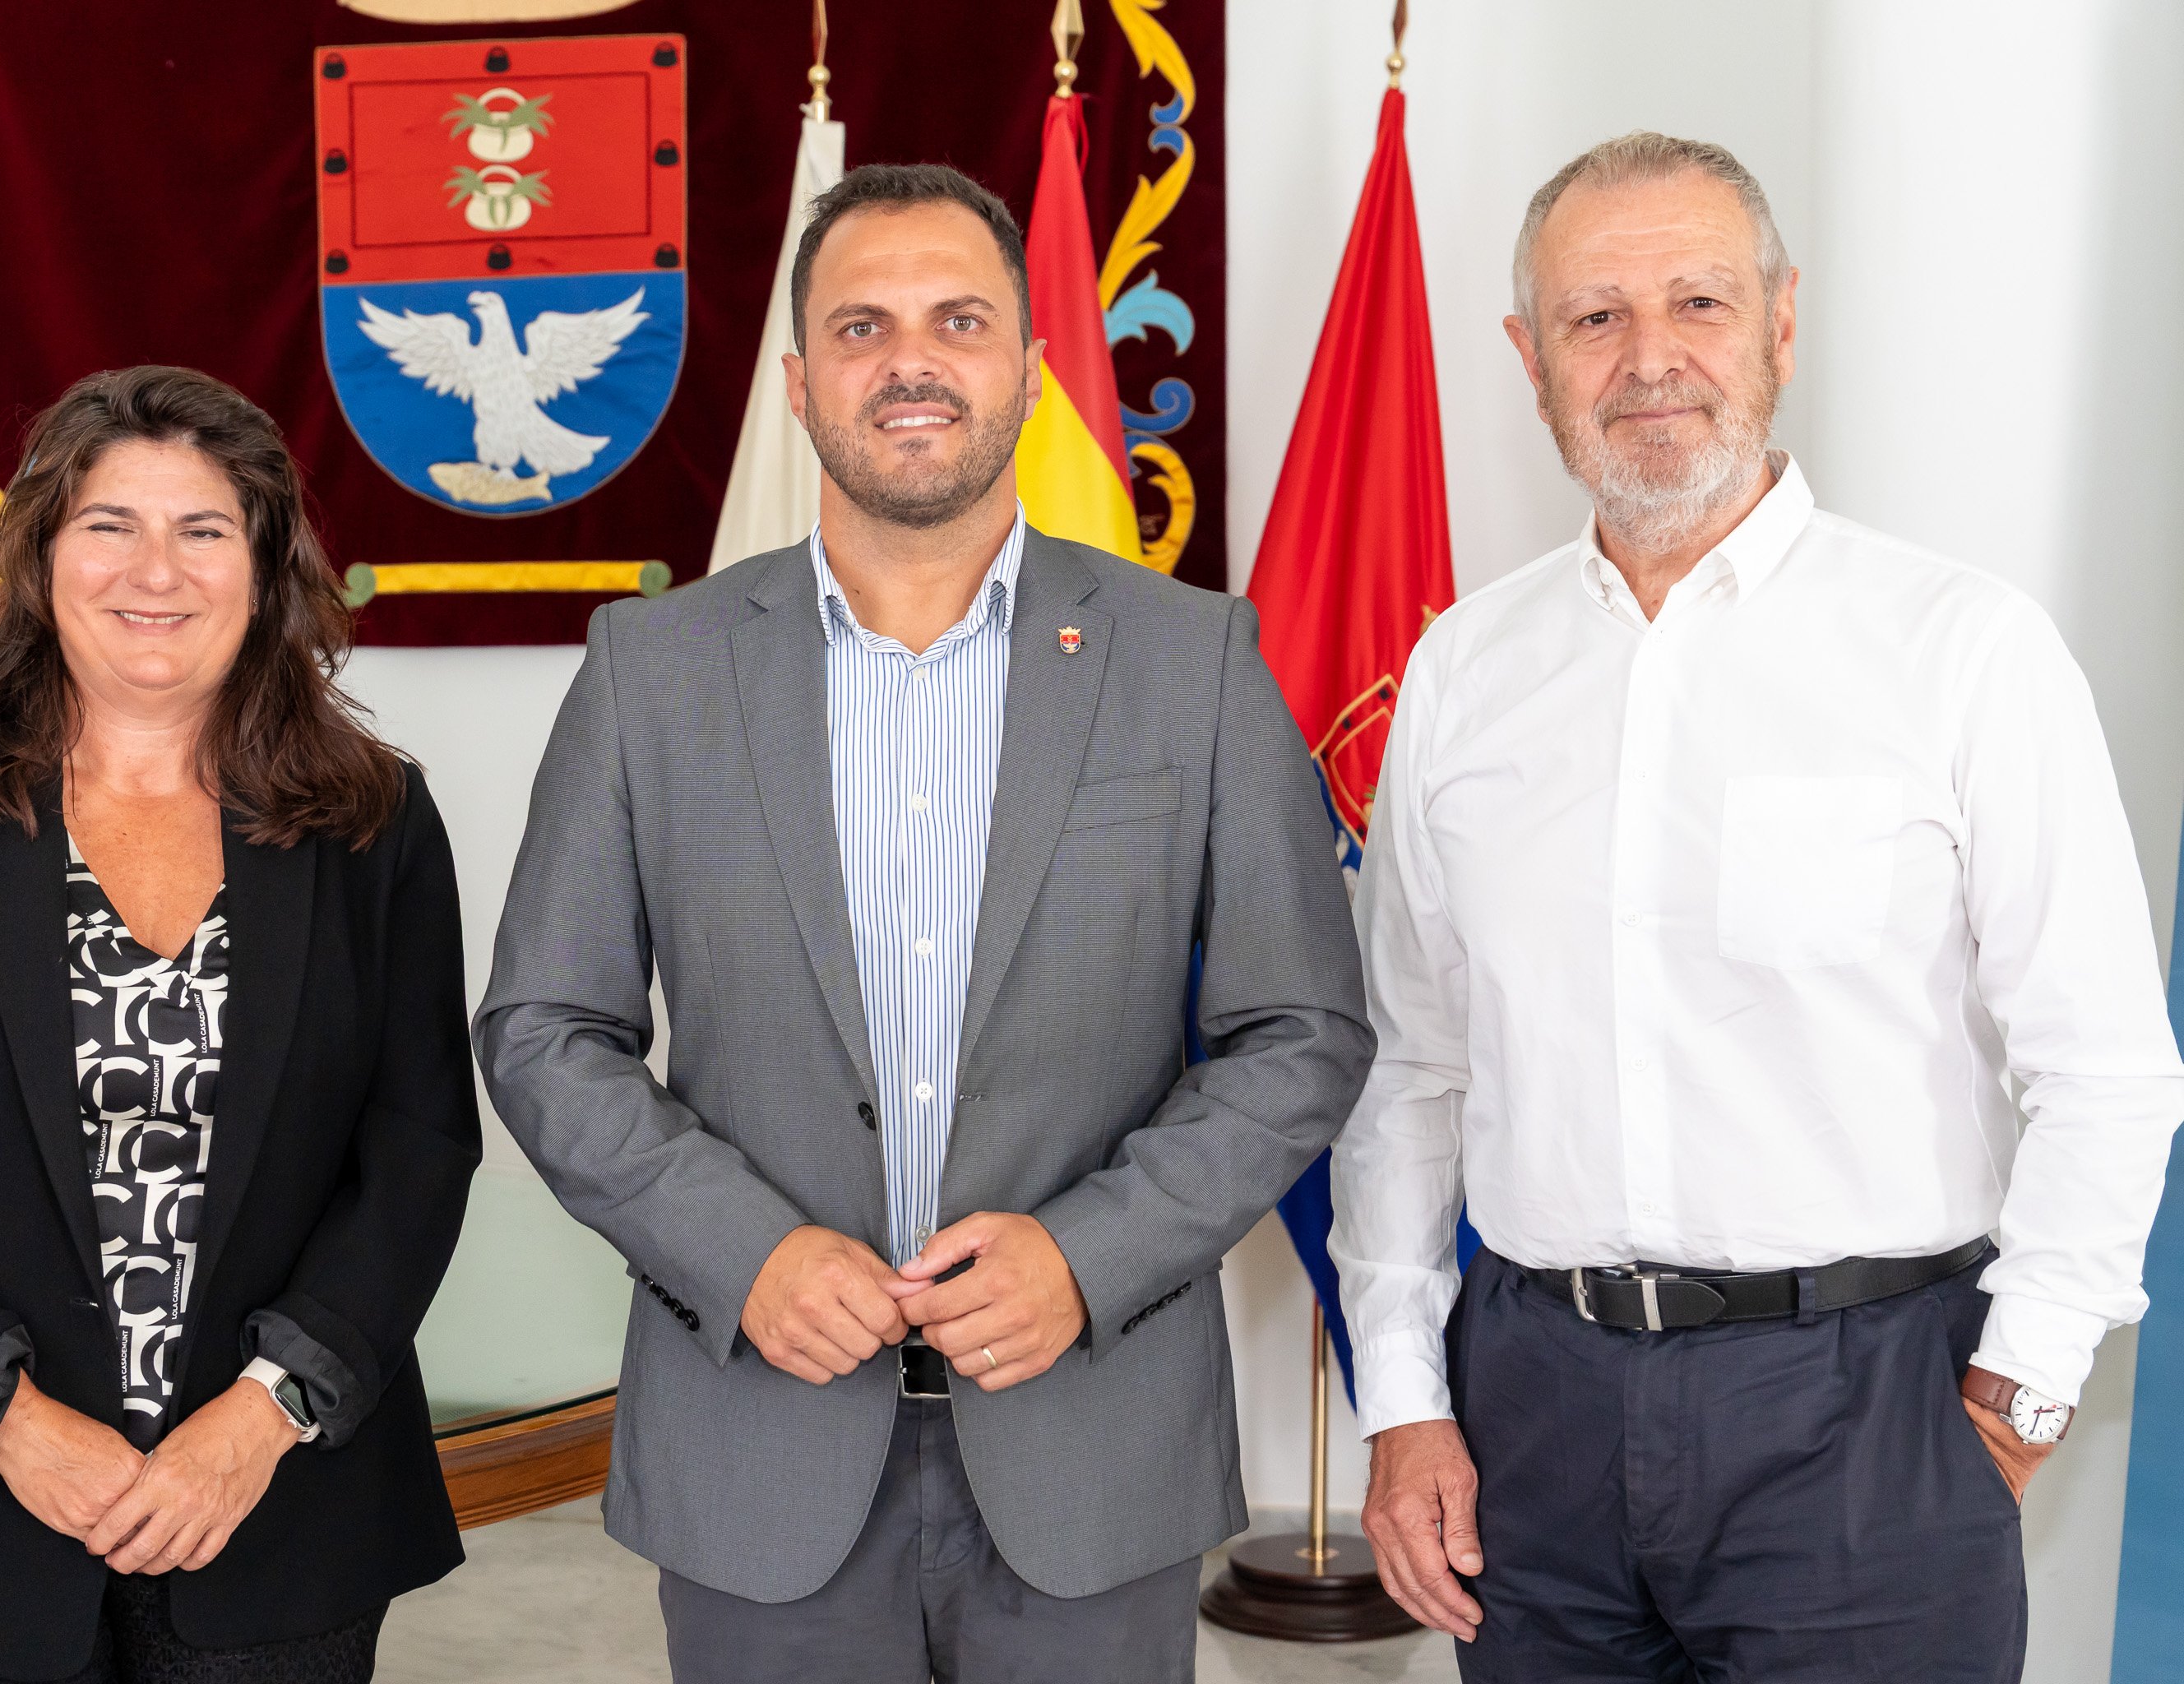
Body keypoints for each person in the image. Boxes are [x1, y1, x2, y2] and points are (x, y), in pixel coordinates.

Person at [477, 163, 1371, 1683]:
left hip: (1095, 1452)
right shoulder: (656, 667)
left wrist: (1088, 1257)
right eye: (863, 324)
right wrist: (740, 1250)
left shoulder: (1195, 659)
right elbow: (545, 1030)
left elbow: (1301, 1034)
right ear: (800, 379)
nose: (911, 361)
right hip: (758, 1445)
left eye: (959, 321)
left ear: (1027, 366)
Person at [1330, 132, 2184, 1680]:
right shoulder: (1464, 667)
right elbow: (1408, 1069)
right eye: (1595, 317)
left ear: (1784, 322)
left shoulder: (1965, 651)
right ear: (1529, 360)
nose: (1651, 359)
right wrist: (1404, 1396)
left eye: (1700, 304)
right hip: (1534, 1412)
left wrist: (2023, 1393)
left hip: (1870, 1419)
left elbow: (2109, 1068)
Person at [0, 365, 483, 1682]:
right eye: (110, 526)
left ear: (265, 570)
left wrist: (259, 1421)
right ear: (43, 559)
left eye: (204, 530)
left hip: (275, 1514)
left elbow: (419, 1147)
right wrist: (13, 1425)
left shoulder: (375, 822)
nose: (155, 570)